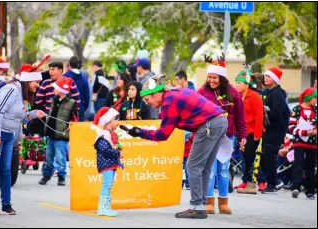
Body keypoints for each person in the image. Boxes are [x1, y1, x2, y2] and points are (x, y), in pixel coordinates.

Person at [122, 74, 228, 219]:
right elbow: (196, 111)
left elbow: (163, 134)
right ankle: (201, 205)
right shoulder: (176, 92)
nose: (148, 104)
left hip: (209, 125)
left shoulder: (168, 102)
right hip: (220, 121)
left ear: (155, 94)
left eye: (147, 99)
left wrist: (140, 132)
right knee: (203, 167)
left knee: (193, 166)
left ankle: (197, 207)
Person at [0, 62, 47, 216]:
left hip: (8, 134)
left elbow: (20, 116)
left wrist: (35, 114)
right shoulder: (11, 90)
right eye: (37, 82)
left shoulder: (23, 94)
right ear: (29, 80)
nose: (38, 86)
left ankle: (6, 204)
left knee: (6, 169)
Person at [197, 54, 247, 215]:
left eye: (215, 77)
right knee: (210, 169)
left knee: (223, 169)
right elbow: (193, 110)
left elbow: (240, 116)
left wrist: (243, 136)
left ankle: (224, 202)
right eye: (209, 77)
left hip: (227, 137)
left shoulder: (233, 92)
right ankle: (209, 201)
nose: (211, 80)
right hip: (208, 135)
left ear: (222, 78)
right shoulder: (202, 92)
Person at [39, 77, 78, 186]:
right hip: (51, 134)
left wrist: (72, 125)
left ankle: (61, 176)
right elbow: (52, 115)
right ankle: (47, 175)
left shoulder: (72, 103)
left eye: (55, 88)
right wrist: (45, 116)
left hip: (61, 135)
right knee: (49, 156)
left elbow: (75, 118)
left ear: (62, 90)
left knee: (60, 157)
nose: (53, 90)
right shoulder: (54, 100)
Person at [235, 67, 265, 194]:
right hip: (242, 133)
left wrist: (258, 133)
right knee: (244, 158)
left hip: (252, 132)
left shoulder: (254, 96)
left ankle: (252, 184)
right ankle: (247, 182)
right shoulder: (239, 97)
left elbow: (259, 116)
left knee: (251, 158)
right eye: (236, 82)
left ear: (247, 84)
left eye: (239, 83)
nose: (237, 85)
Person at [261, 66, 291, 194]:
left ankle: (273, 183)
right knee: (265, 156)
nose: (266, 78)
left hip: (275, 130)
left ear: (275, 79)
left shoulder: (277, 94)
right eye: (265, 76)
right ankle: (274, 181)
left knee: (270, 156)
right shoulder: (267, 92)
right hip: (268, 129)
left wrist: (265, 111)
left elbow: (278, 114)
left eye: (269, 76)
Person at [93, 107, 123, 217]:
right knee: (107, 185)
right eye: (116, 120)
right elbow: (104, 149)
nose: (118, 122)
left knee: (108, 185)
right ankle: (103, 208)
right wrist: (118, 154)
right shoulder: (104, 134)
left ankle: (106, 207)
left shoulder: (110, 133)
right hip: (106, 163)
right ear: (110, 120)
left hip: (111, 163)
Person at [288, 88, 317, 200]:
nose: (316, 100)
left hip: (313, 143)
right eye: (314, 98)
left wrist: (314, 131)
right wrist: (304, 132)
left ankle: (310, 190)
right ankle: (296, 187)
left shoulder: (316, 110)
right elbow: (291, 127)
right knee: (298, 164)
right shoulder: (297, 109)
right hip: (299, 142)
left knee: (310, 166)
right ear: (308, 97)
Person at [63, 56, 90, 121]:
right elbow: (87, 95)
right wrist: (84, 106)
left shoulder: (64, 77)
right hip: (80, 107)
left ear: (69, 64)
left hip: (66, 107)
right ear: (78, 65)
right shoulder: (83, 79)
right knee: (79, 130)